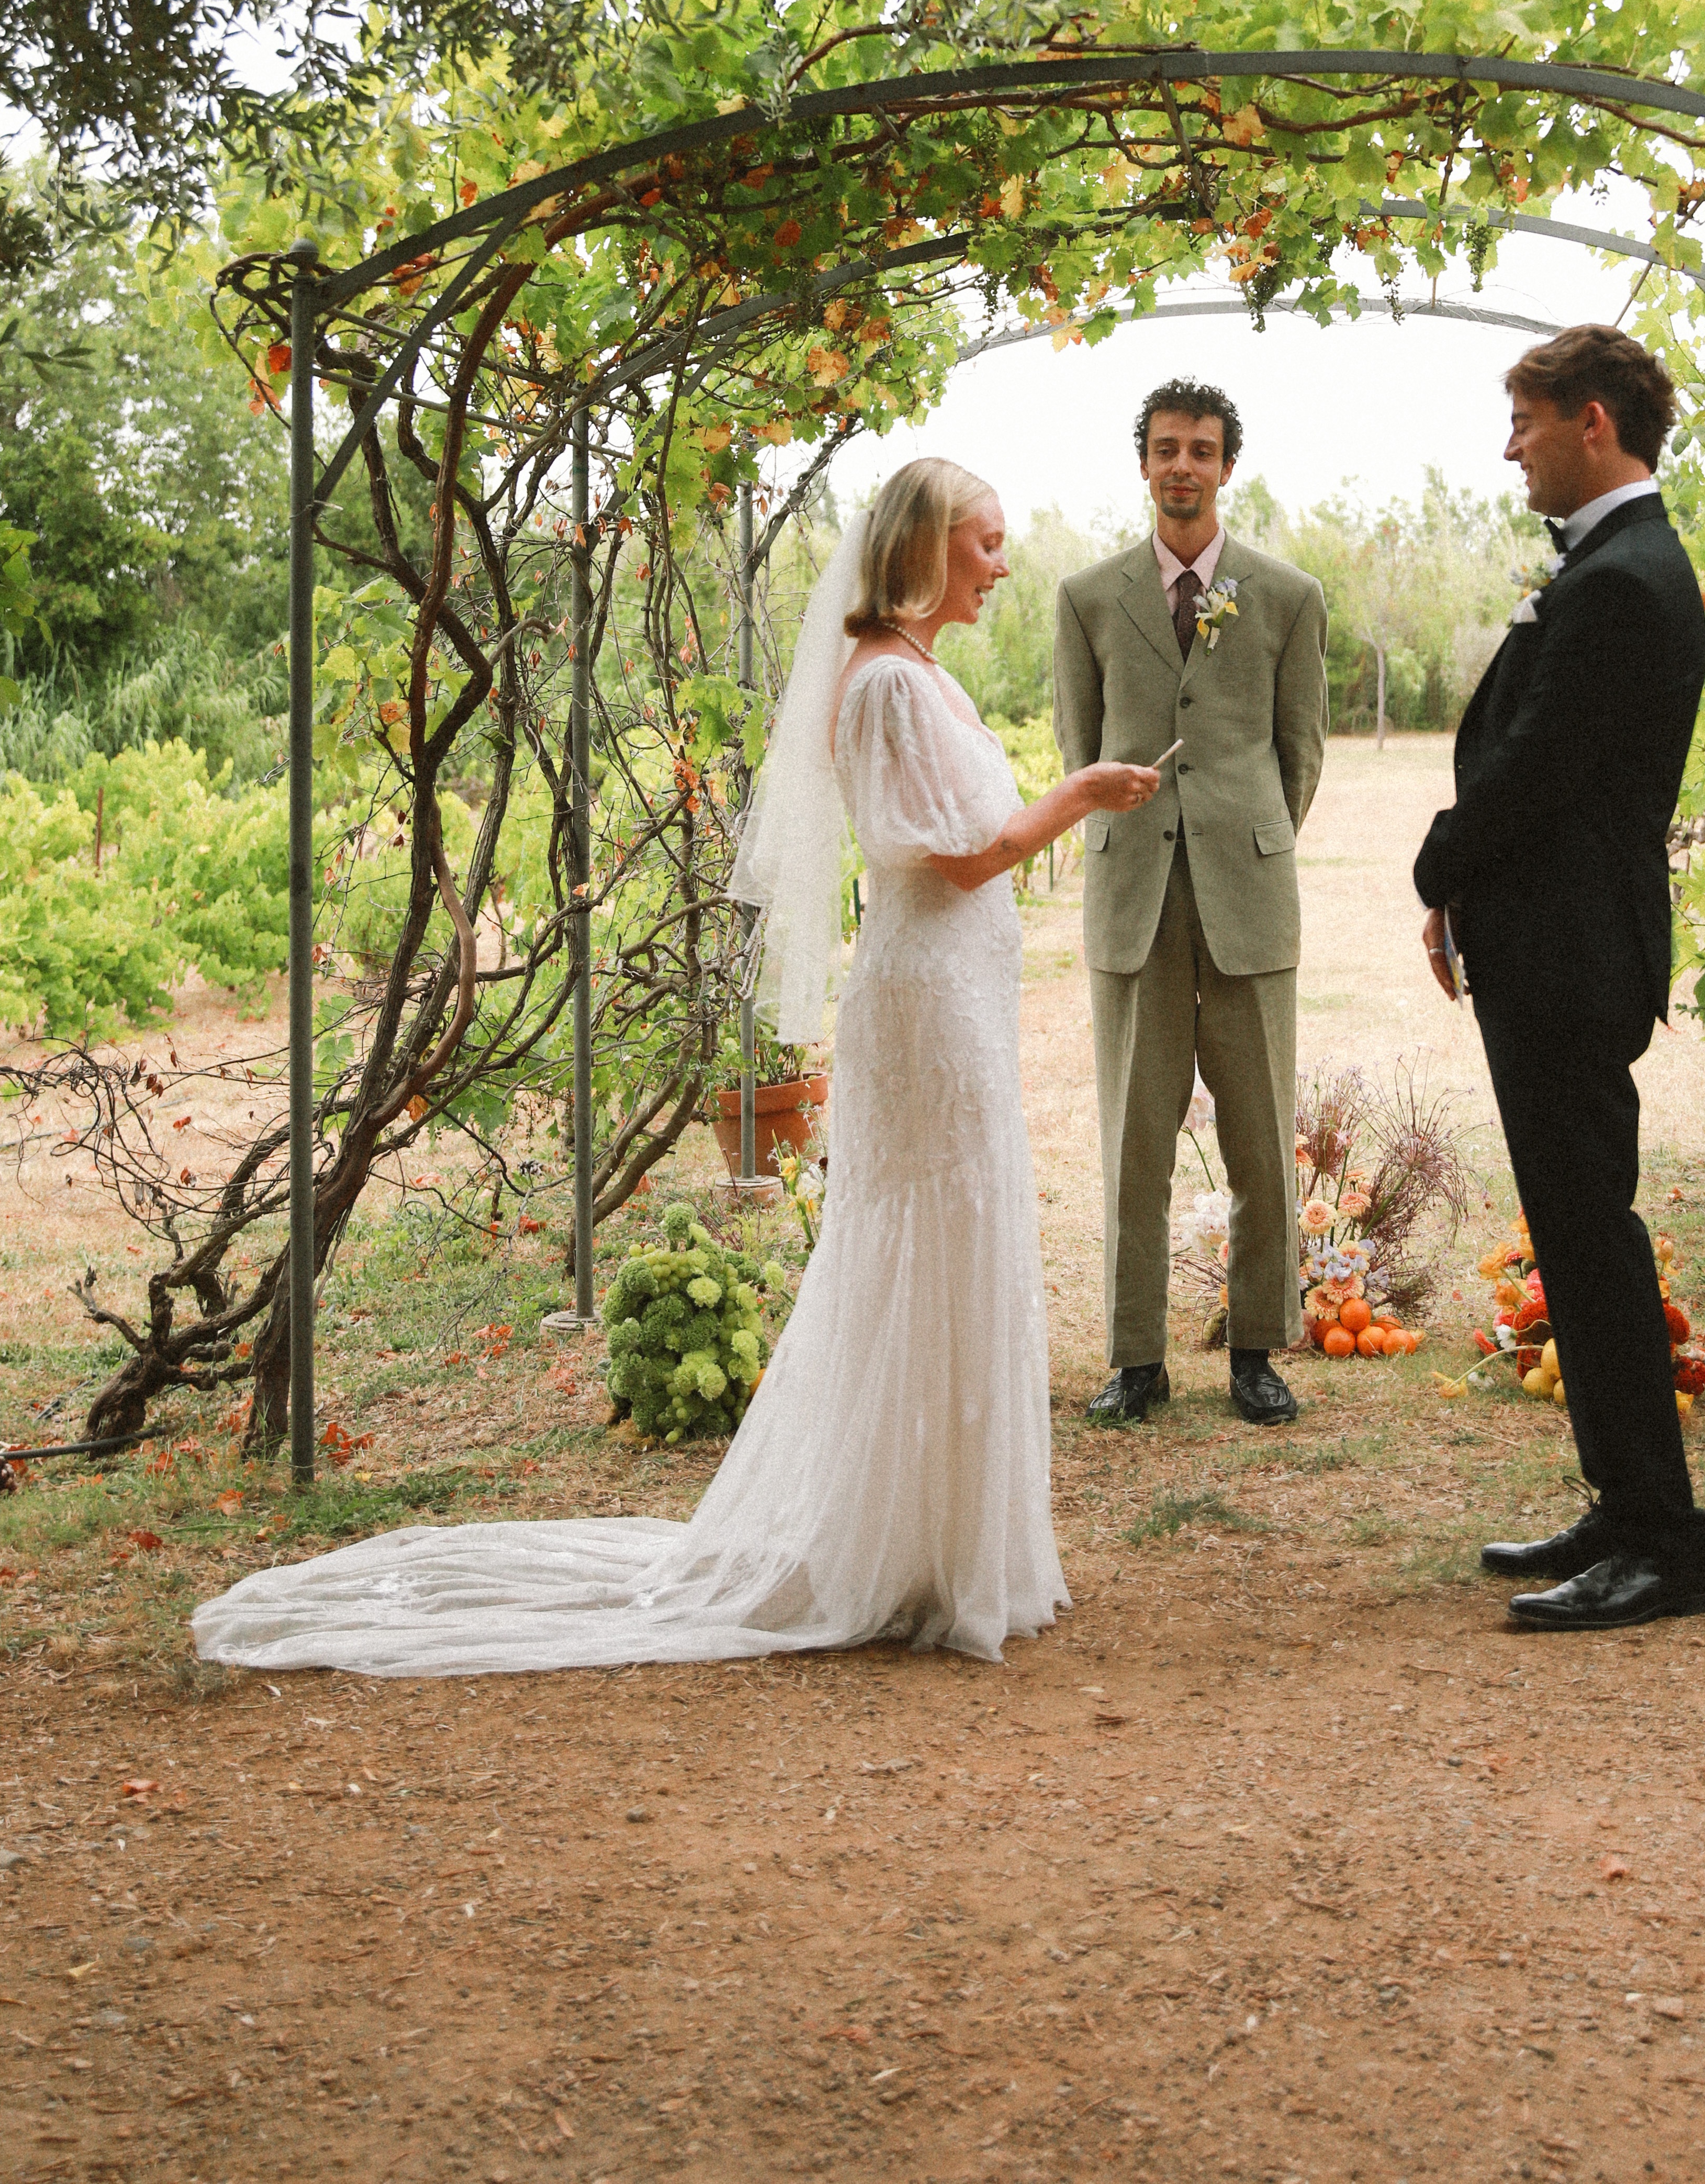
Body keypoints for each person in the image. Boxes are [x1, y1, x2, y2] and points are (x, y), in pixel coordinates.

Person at [190, 458, 1164, 1677]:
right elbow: (954, 859)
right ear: (925, 547)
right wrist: (1080, 793)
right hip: (928, 1007)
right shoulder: (887, 689)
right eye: (985, 541)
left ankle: (945, 1538)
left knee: (954, 1234)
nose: (1001, 564)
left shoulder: (920, 676)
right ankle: (903, 1546)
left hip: (957, 996)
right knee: (928, 1235)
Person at [1413, 324, 1705, 1632]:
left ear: (1592, 423)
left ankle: (1664, 1542)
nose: (1510, 448)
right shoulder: (1615, 564)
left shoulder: (1617, 580)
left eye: (1526, 423)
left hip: (1571, 948)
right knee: (1576, 1229)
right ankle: (1621, 1502)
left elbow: (1537, 765)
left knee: (1591, 1236)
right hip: (1557, 938)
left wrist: (1437, 867)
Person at [1055, 381, 1328, 1429]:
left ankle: (1257, 1352)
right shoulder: (1087, 596)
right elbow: (1081, 748)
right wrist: (1136, 837)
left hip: (1248, 898)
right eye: (1165, 448)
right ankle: (1137, 1360)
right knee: (1135, 1141)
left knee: (1262, 1136)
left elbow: (1297, 754)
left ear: (1226, 467)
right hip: (1134, 901)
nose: (1182, 465)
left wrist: (1244, 843)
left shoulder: (1287, 594)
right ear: (1142, 464)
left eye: (1201, 450)